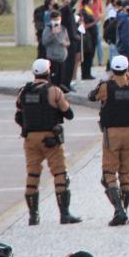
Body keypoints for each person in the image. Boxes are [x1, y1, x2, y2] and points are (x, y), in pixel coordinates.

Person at [14, 59, 81, 225]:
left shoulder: (24, 92)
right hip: (50, 139)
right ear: (48, 72)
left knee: (33, 174)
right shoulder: (54, 91)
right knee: (59, 174)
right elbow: (68, 113)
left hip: (30, 139)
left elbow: (19, 115)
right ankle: (64, 214)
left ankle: (33, 216)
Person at [88, 56, 129, 226]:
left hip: (112, 133)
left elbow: (92, 96)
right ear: (127, 69)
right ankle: (124, 212)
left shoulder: (107, 87)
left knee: (108, 173)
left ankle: (119, 211)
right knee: (125, 174)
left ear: (113, 70)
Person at [41, 10, 70, 87]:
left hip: (62, 58)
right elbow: (44, 42)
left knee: (61, 80)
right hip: (53, 58)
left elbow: (68, 42)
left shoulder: (63, 28)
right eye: (54, 20)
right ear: (51, 20)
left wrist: (65, 43)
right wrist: (53, 34)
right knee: (54, 81)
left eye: (58, 19)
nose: (56, 21)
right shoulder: (48, 29)